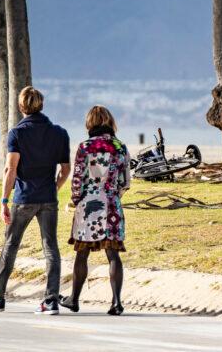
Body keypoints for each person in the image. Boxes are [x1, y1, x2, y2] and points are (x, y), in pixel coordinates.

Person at [0, 86, 70, 314]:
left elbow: (10, 168)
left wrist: (3, 200)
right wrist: (54, 188)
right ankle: (50, 301)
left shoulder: (17, 133)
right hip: (48, 198)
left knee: (11, 245)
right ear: (42, 105)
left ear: (21, 107)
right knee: (50, 247)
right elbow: (65, 169)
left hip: (24, 198)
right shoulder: (60, 133)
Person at [60, 105, 131, 316]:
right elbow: (125, 182)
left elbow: (77, 180)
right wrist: (114, 196)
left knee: (81, 255)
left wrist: (76, 200)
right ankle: (116, 302)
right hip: (111, 206)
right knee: (113, 254)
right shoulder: (120, 146)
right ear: (110, 122)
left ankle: (73, 299)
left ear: (89, 123)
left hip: (87, 207)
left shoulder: (84, 147)